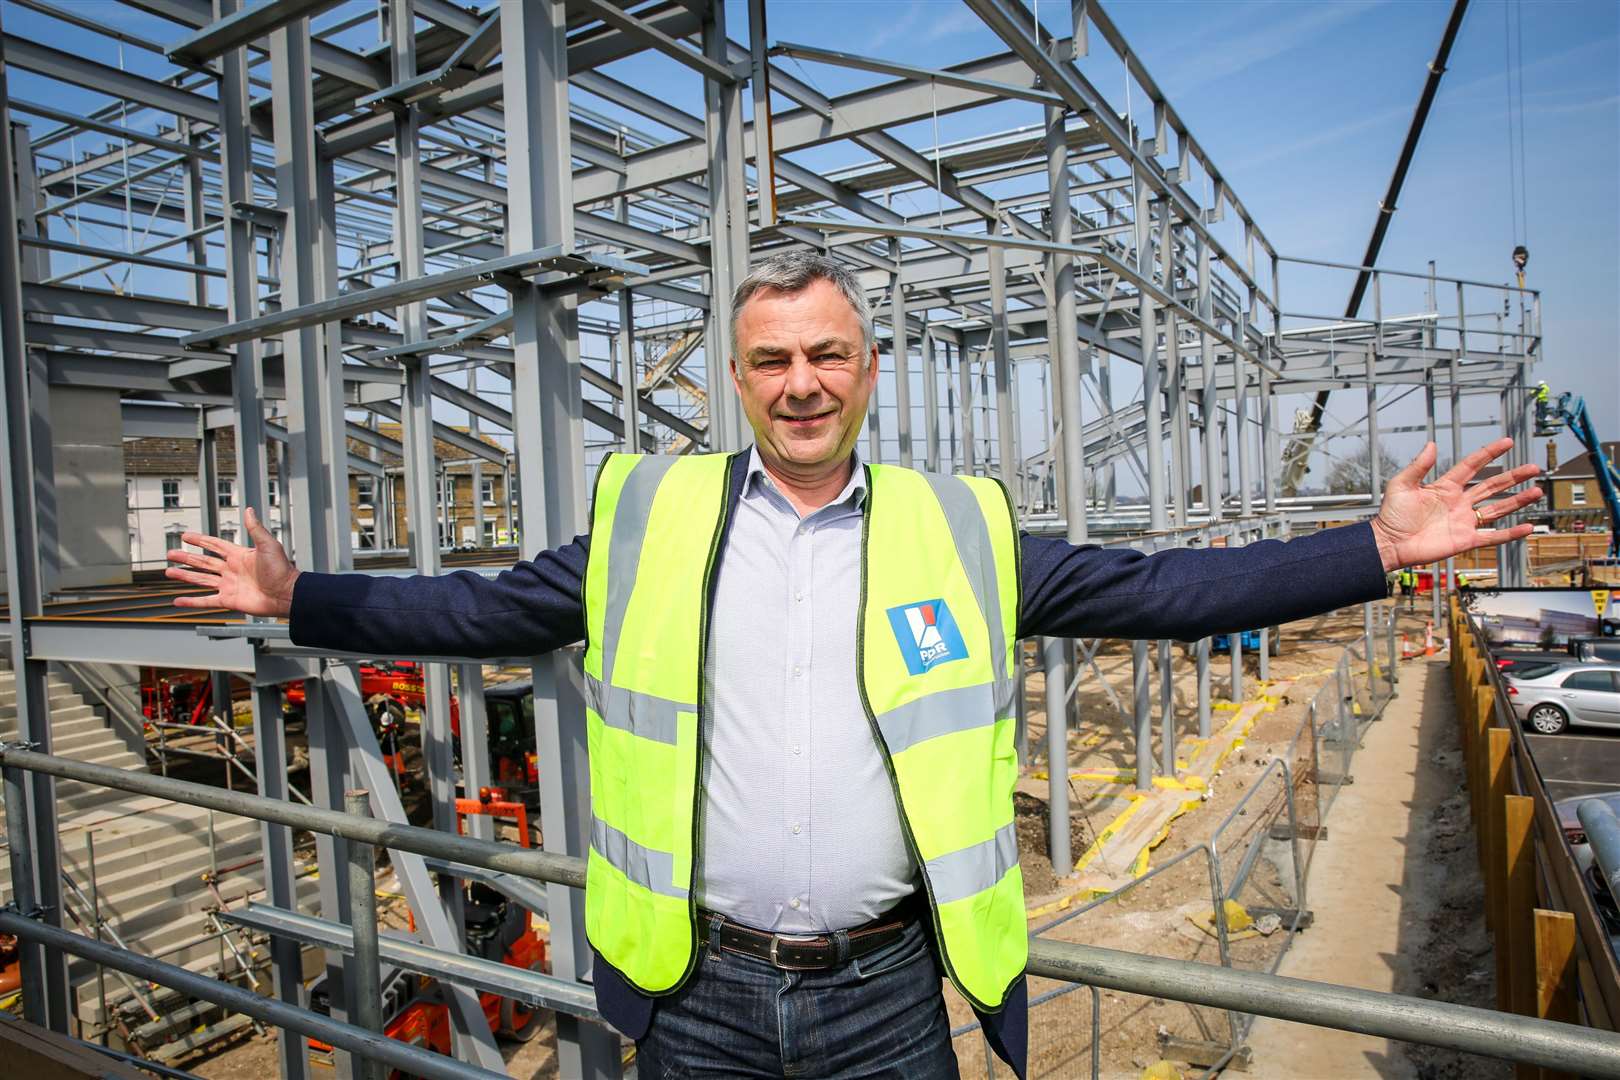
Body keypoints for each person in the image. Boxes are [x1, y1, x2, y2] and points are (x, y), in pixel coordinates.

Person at [166, 252, 1543, 1078]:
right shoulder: (655, 519)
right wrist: (302, 595)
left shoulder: (962, 529)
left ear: (869, 368)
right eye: (772, 361)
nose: (802, 381)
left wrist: (1371, 545)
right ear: (736, 379)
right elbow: (483, 615)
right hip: (695, 993)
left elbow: (1167, 592)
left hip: (891, 996)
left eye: (827, 353)